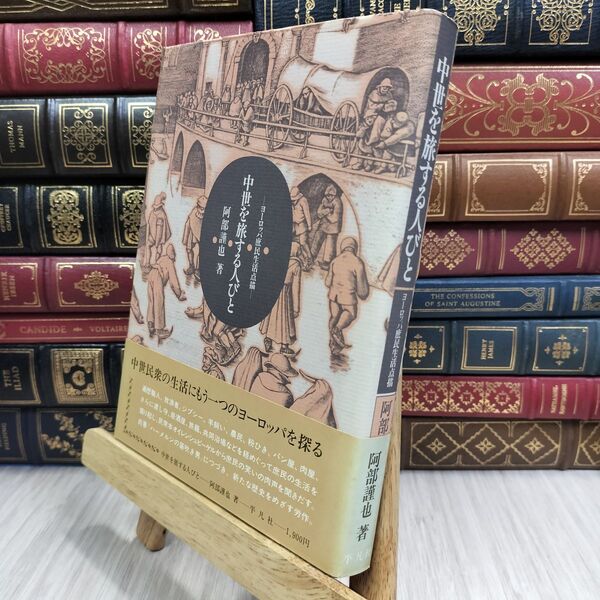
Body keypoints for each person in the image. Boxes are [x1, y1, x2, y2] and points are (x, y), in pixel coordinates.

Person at [325, 236, 369, 354]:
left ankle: (333, 345)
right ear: (355, 248)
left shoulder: (335, 260)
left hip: (333, 296)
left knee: (334, 317)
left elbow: (327, 282)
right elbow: (363, 291)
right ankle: (337, 330)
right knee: (350, 313)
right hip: (347, 297)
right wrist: (363, 294)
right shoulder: (357, 262)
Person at [260, 242, 302, 355]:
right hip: (285, 294)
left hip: (273, 290)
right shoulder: (296, 265)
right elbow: (296, 287)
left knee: (272, 317)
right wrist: (296, 308)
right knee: (284, 318)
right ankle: (284, 346)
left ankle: (268, 339)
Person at [146, 243, 186, 341]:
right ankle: (159, 330)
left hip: (151, 275)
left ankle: (151, 325)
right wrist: (179, 295)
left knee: (151, 301)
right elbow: (173, 282)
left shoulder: (162, 258)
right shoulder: (169, 262)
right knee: (159, 302)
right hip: (158, 278)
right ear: (173, 254)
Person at [310, 184, 343, 270]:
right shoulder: (324, 200)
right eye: (328, 195)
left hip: (333, 228)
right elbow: (319, 213)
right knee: (316, 240)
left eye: (331, 195)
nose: (329, 197)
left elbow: (334, 218)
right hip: (323, 225)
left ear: (334, 195)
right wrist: (327, 211)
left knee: (330, 246)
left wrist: (325, 213)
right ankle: (311, 258)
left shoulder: (338, 202)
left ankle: (327, 263)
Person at [182, 195, 207, 277]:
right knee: (189, 249)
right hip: (192, 231)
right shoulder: (193, 212)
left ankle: (199, 269)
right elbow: (188, 223)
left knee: (202, 251)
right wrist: (185, 237)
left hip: (202, 233)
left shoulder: (208, 215)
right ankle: (191, 266)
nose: (201, 210)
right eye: (200, 207)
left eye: (203, 208)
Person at [146, 192, 172, 268]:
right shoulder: (154, 213)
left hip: (158, 237)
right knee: (150, 246)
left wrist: (157, 243)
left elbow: (159, 231)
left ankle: (154, 263)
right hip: (153, 235)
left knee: (157, 248)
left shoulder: (161, 215)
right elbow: (150, 225)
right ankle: (148, 263)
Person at [290, 187, 312, 269]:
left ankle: (309, 259)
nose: (293, 201)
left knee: (303, 243)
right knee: (296, 244)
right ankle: (301, 262)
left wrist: (309, 225)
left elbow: (307, 214)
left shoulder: (303, 201)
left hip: (302, 225)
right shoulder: (291, 203)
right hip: (294, 225)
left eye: (294, 200)